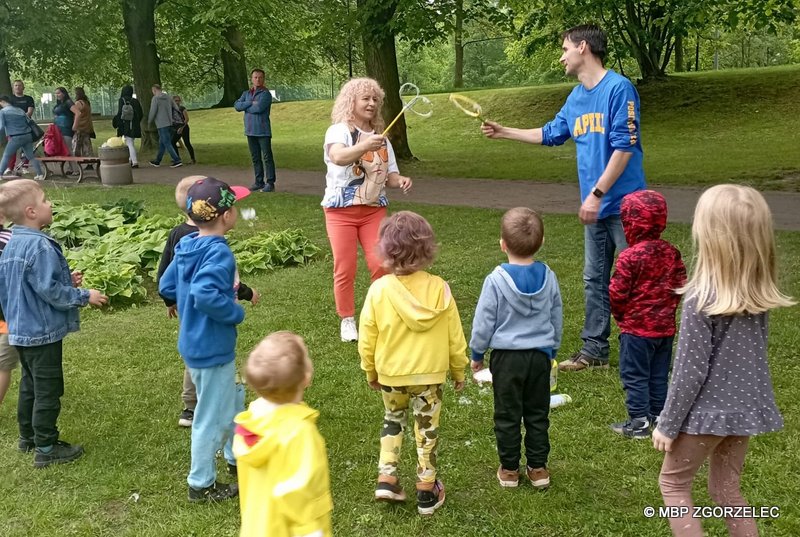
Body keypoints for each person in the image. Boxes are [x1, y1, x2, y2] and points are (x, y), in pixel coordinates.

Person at [481, 24, 646, 373]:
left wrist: (597, 194)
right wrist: (503, 132)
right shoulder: (576, 98)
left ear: (583, 47)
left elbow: (625, 148)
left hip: (626, 206)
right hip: (595, 207)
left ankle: (641, 350)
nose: (561, 56)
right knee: (594, 278)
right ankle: (595, 350)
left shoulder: (619, 89)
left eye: (564, 48)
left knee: (634, 279)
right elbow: (551, 133)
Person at [653, 185, 792, 537]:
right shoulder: (756, 295)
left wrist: (667, 424)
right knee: (727, 491)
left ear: (710, 237)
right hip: (744, 412)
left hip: (705, 417)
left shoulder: (701, 298)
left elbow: (689, 371)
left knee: (673, 485)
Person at [358, 211, 468, 516]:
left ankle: (387, 477)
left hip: (390, 373)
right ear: (427, 249)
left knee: (393, 420)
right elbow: (455, 337)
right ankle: (426, 488)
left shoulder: (378, 290)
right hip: (429, 377)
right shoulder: (439, 288)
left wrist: (370, 370)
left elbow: (367, 337)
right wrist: (459, 370)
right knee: (427, 428)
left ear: (384, 249)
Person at [0, 179, 108, 467]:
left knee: (30, 385)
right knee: (48, 390)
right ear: (31, 212)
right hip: (42, 332)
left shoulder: (12, 243)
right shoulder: (39, 247)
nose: (50, 204)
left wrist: (65, 280)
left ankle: (28, 437)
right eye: (45, 200)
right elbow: (49, 292)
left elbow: (25, 284)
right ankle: (46, 448)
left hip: (20, 331)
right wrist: (85, 295)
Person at [158, 176, 250, 502]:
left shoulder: (186, 245)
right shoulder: (219, 254)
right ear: (225, 216)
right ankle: (201, 484)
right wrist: (235, 313)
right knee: (209, 416)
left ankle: (236, 456)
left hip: (194, 344)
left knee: (233, 397)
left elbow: (167, 286)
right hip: (212, 346)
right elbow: (204, 294)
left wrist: (185, 300)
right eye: (233, 205)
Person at [470, 207, 563, 490]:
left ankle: (509, 470)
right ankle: (538, 469)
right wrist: (553, 348)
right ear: (542, 242)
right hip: (539, 357)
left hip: (506, 360)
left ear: (502, 244)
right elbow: (556, 314)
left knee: (507, 414)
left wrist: (477, 353)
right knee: (537, 413)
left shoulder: (495, 280)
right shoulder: (549, 276)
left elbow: (484, 320)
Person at [323, 77, 412, 342]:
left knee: (380, 263)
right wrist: (365, 145)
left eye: (375, 99)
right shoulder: (338, 131)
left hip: (373, 210)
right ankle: (347, 319)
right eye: (365, 99)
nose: (371, 103)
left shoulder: (382, 139)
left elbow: (390, 176)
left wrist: (401, 181)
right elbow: (338, 157)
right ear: (352, 102)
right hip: (341, 212)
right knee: (345, 267)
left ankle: (379, 313)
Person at [233, 331, 333, 537]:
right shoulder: (299, 433)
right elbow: (299, 491)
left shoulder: (252, 422)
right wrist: (311, 532)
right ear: (306, 377)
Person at [608, 190, 686, 439]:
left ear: (630, 222)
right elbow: (680, 284)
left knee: (635, 375)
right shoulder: (670, 252)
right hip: (664, 329)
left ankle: (639, 422)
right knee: (659, 374)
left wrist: (621, 316)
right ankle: (660, 415)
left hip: (637, 331)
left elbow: (617, 293)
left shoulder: (629, 257)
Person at [235, 69, 276, 192]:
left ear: (263, 79)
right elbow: (237, 106)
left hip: (263, 131)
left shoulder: (265, 94)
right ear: (251, 79)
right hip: (250, 131)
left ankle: (270, 183)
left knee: (267, 157)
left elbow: (258, 108)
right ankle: (259, 182)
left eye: (260, 77)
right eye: (255, 77)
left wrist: (246, 106)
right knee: (255, 158)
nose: (258, 79)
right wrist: (250, 103)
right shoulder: (246, 93)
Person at [0, 208, 19, 406]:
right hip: (7, 313)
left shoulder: (11, 240)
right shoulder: (11, 239)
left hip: (9, 315)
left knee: (3, 363)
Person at [0, 95, 45, 180]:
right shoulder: (20, 110)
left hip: (15, 137)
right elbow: (28, 121)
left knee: (6, 155)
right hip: (27, 135)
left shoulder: (3, 112)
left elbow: (1, 127)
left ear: (2, 102)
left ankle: (0, 174)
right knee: (31, 156)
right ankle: (40, 175)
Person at [3, 80, 35, 175]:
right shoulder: (10, 99)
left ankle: (24, 166)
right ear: (13, 87)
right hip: (12, 128)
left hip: (26, 127)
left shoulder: (29, 99)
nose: (18, 87)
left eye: (20, 85)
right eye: (16, 85)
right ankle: (9, 167)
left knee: (26, 148)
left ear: (23, 87)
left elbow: (29, 112)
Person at [147, 84, 183, 168]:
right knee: (162, 142)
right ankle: (157, 161)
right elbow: (176, 108)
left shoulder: (155, 99)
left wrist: (149, 121)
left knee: (166, 142)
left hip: (161, 123)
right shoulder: (168, 97)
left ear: (154, 90)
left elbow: (153, 111)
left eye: (153, 91)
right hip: (170, 123)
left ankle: (177, 160)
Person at [112, 85, 144, 168]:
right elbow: (141, 114)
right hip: (134, 125)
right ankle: (130, 160)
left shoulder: (122, 100)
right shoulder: (135, 101)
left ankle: (134, 161)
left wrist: (118, 124)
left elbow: (120, 113)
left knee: (129, 143)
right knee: (130, 142)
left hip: (125, 125)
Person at [52, 87, 78, 175]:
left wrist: (75, 125)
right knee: (65, 149)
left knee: (69, 148)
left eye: (58, 93)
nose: (57, 95)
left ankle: (76, 169)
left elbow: (78, 113)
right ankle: (70, 168)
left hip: (66, 128)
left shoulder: (68, 102)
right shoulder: (59, 104)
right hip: (59, 129)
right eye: (56, 93)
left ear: (64, 93)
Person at [70, 87, 95, 161]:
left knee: (76, 146)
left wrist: (74, 126)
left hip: (79, 127)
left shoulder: (78, 103)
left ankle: (76, 163)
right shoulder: (86, 103)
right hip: (87, 127)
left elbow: (76, 114)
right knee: (87, 146)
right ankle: (89, 162)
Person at [170, 95, 196, 165]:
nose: (177, 102)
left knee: (187, 143)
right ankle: (177, 158)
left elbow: (186, 119)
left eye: (178, 100)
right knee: (172, 142)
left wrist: (182, 128)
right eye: (176, 101)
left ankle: (193, 159)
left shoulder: (182, 108)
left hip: (184, 128)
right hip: (176, 128)